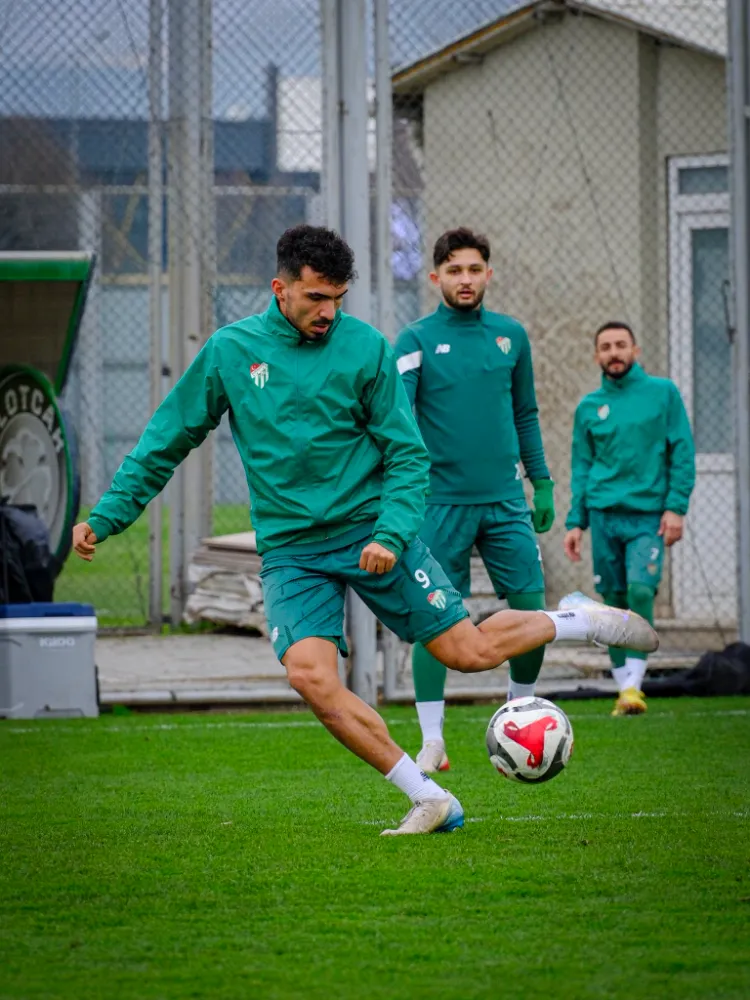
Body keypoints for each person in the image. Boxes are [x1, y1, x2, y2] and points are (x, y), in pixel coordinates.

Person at [73, 226, 657, 835]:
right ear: (280, 289)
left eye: (337, 298)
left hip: (370, 532)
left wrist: (391, 533)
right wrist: (106, 516)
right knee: (310, 677)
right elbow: (164, 440)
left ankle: (575, 619)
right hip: (292, 551)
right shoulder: (230, 351)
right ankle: (428, 797)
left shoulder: (366, 348)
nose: (328, 311)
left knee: (470, 653)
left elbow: (407, 453)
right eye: (315, 297)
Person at [394, 228, 554, 774]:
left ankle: (519, 716)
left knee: (532, 613)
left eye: (474, 269)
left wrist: (542, 481)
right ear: (435, 277)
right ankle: (432, 740)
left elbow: (525, 413)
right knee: (434, 618)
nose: (465, 279)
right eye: (454, 270)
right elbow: (398, 421)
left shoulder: (511, 336)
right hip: (439, 505)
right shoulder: (414, 340)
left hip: (505, 501)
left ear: (489, 274)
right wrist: (404, 491)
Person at [563, 321, 695, 716]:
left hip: (647, 515)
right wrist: (575, 522)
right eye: (605, 347)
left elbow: (682, 451)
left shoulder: (663, 393)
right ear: (596, 356)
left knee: (640, 591)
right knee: (613, 601)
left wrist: (676, 507)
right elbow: (581, 466)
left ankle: (635, 685)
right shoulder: (589, 406)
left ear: (635, 351)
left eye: (621, 345)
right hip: (603, 515)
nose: (614, 352)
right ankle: (625, 690)